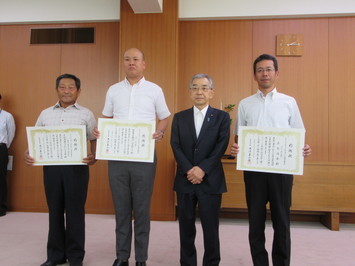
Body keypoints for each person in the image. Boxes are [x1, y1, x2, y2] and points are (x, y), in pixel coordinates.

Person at [231, 54, 312, 266]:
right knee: (255, 222)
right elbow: (239, 137)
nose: (264, 73)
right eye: (260, 70)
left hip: (282, 172)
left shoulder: (289, 102)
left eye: (268, 69)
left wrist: (303, 149)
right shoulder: (245, 104)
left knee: (282, 222)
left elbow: (298, 134)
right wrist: (237, 148)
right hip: (254, 171)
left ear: (276, 73)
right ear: (254, 75)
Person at [96, 48, 170, 266]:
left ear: (143, 64)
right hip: (117, 156)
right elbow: (106, 118)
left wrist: (160, 131)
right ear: (124, 63)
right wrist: (101, 131)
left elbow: (164, 117)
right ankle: (121, 256)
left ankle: (141, 258)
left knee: (141, 209)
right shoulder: (113, 90)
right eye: (127, 59)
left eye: (135, 60)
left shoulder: (155, 90)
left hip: (143, 156)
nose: (131, 63)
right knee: (120, 208)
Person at [24, 74, 97, 266]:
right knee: (54, 210)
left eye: (71, 87)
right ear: (57, 90)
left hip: (77, 169)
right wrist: (28, 153)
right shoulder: (45, 113)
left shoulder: (86, 114)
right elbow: (35, 139)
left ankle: (75, 257)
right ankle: (55, 255)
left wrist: (94, 156)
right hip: (52, 169)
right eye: (62, 87)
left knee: (75, 212)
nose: (66, 91)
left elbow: (94, 138)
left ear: (78, 91)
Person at [171, 74, 230, 266]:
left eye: (204, 88)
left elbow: (221, 146)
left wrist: (202, 169)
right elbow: (175, 145)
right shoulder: (180, 117)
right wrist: (190, 169)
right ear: (189, 92)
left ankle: (211, 263)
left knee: (211, 227)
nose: (199, 92)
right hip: (185, 179)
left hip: (210, 180)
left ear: (211, 93)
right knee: (186, 227)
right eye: (195, 87)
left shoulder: (222, 117)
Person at [0, 94, 15, 217]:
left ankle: (1, 207)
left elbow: (11, 135)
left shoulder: (7, 116)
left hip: (1, 148)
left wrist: (3, 147)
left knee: (1, 179)